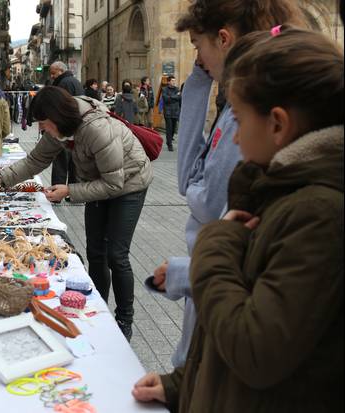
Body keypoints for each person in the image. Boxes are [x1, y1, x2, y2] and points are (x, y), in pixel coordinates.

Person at [134, 26, 343, 412]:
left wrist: (214, 245)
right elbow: (233, 324)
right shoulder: (274, 186)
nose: (232, 138)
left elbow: (254, 350)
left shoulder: (318, 215)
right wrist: (180, 384)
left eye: (240, 119)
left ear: (278, 124)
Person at [145, 0, 306, 370]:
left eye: (198, 48)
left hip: (218, 293)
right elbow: (193, 183)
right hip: (208, 285)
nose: (198, 60)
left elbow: (209, 200)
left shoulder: (252, 117)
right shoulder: (238, 108)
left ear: (223, 39)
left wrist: (188, 271)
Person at [0, 86, 152, 340]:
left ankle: (124, 319)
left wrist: (69, 191)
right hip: (98, 183)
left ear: (57, 117)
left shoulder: (96, 129)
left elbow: (114, 184)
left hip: (129, 185)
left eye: (43, 123)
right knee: (96, 253)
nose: (42, 129)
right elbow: (35, 161)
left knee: (116, 255)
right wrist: (1, 179)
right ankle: (97, 308)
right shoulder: (58, 130)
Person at [48, 61, 82, 192]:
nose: (51, 76)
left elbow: (60, 107)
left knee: (60, 161)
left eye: (53, 73)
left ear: (61, 71)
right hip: (76, 127)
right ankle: (73, 192)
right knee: (74, 162)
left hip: (65, 128)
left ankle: (57, 192)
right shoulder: (75, 81)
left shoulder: (63, 84)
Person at [161, 76, 181, 151]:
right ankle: (169, 144)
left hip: (175, 111)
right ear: (168, 82)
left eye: (174, 81)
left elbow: (179, 98)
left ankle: (170, 139)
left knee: (173, 128)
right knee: (169, 128)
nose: (174, 82)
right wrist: (175, 97)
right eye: (172, 81)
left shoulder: (177, 89)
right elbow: (165, 99)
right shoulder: (164, 89)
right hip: (168, 111)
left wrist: (171, 97)